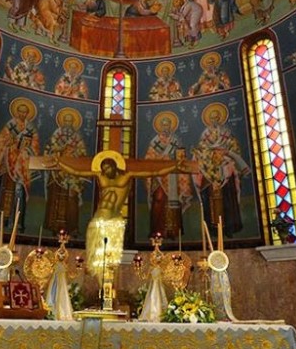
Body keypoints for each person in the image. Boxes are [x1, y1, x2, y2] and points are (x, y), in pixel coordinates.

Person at [55, 150, 182, 283]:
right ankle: (102, 286)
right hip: (100, 217)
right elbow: (77, 172)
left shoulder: (127, 175)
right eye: (103, 169)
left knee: (112, 256)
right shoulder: (100, 175)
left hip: (114, 219)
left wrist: (174, 166)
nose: (105, 171)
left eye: (108, 168)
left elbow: (153, 172)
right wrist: (60, 163)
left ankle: (109, 285)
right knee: (97, 256)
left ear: (114, 165)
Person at [192, 104, 250, 237]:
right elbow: (201, 151)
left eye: (216, 118)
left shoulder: (226, 133)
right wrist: (210, 155)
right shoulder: (205, 134)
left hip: (225, 167)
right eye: (212, 118)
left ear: (220, 118)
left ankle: (230, 226)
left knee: (228, 195)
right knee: (209, 195)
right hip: (209, 169)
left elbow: (234, 148)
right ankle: (211, 228)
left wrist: (226, 154)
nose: (214, 120)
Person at [0, 97, 40, 227]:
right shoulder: (10, 125)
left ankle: (16, 222)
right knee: (5, 189)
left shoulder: (31, 128)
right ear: (16, 112)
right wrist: (8, 142)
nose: (22, 114)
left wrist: (26, 148)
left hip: (21, 164)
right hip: (8, 161)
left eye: (25, 112)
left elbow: (35, 146)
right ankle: (1, 220)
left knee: (19, 191)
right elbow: (0, 140)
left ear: (27, 114)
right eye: (20, 111)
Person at [144, 112, 192, 238]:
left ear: (171, 126)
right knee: (159, 199)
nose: (166, 127)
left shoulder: (176, 140)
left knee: (173, 201)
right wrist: (161, 158)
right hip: (159, 177)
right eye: (164, 125)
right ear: (160, 127)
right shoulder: (155, 142)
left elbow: (181, 157)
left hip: (172, 176)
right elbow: (148, 159)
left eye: (168, 125)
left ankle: (173, 231)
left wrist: (176, 158)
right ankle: (157, 231)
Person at [43, 108, 87, 236]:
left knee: (72, 198)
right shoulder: (56, 134)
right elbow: (49, 149)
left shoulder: (77, 137)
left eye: (70, 121)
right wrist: (60, 149)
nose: (68, 123)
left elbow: (82, 152)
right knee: (55, 197)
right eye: (66, 121)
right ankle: (53, 226)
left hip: (72, 173)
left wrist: (73, 152)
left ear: (73, 123)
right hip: (57, 173)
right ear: (62, 122)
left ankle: (72, 227)